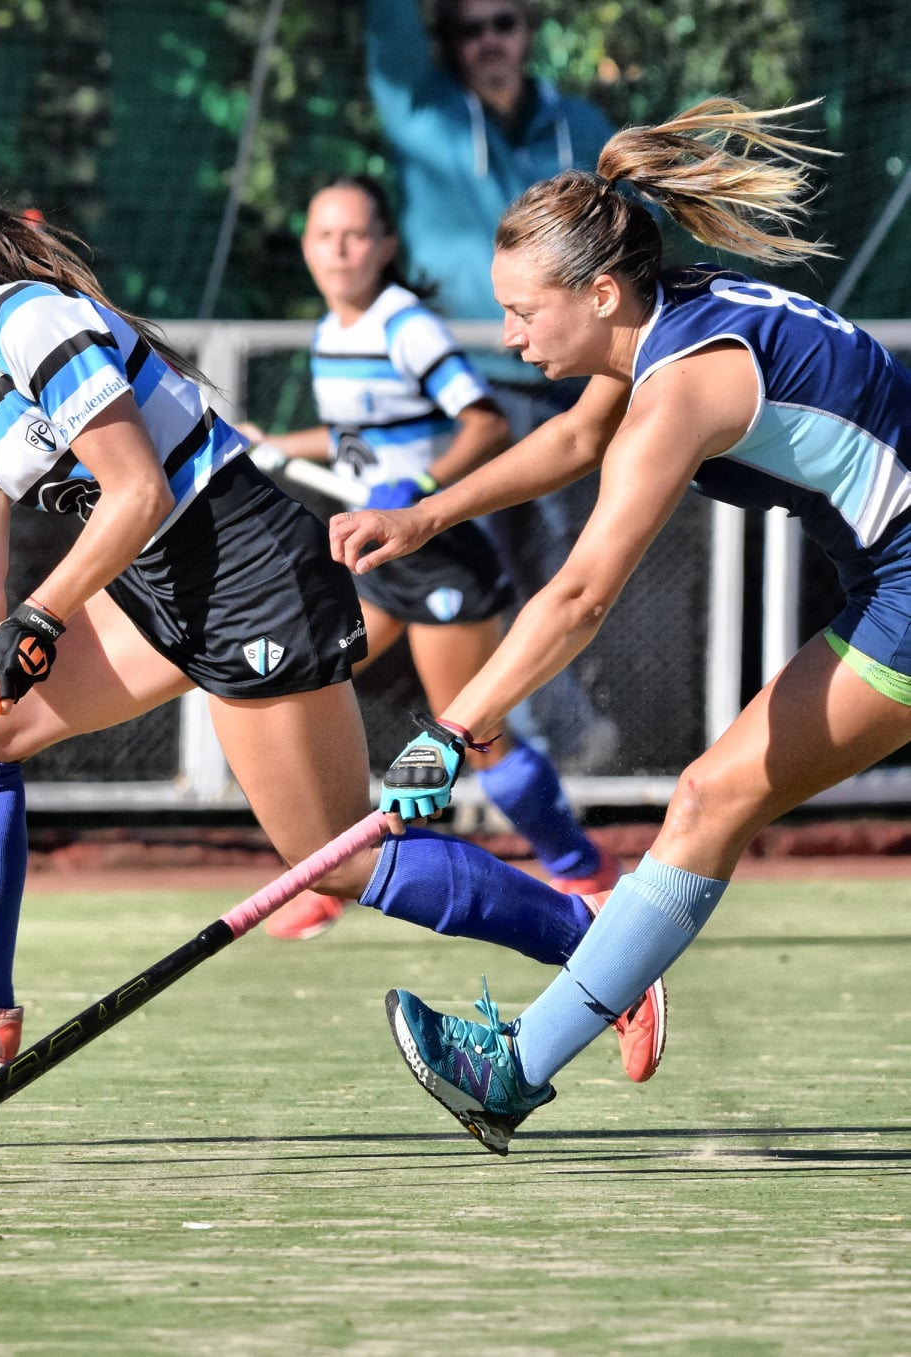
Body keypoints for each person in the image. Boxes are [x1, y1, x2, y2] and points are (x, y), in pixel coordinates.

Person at [0, 152, 662, 1086]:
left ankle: (599, 953)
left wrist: (44, 611)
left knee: (330, 856)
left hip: (243, 566)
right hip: (158, 585)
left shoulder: (29, 325)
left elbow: (133, 492)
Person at [331, 98, 890, 1155]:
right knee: (711, 799)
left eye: (520, 312)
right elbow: (574, 443)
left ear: (596, 292)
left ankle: (508, 1072)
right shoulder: (651, 326)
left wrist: (453, 727)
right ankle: (513, 1070)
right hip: (884, 578)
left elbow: (583, 593)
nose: (506, 335)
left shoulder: (679, 384)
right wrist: (424, 513)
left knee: (711, 795)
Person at [241, 175, 616, 942]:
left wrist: (413, 490)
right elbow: (359, 443)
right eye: (322, 235)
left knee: (477, 737)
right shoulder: (330, 333)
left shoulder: (403, 324)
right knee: (308, 688)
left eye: (353, 235)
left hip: (437, 554)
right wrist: (278, 445)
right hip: (382, 563)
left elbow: (481, 424)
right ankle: (326, 865)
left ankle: (581, 870)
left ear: (382, 246)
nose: (337, 250)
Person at [366, 0, 620, 771]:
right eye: (469, 29)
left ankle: (537, 742)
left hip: (575, 383)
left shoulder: (581, 124)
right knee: (453, 562)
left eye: (502, 23)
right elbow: (388, 28)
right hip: (463, 391)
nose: (488, 42)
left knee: (561, 563)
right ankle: (526, 742)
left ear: (528, 31)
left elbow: (629, 239)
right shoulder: (422, 108)